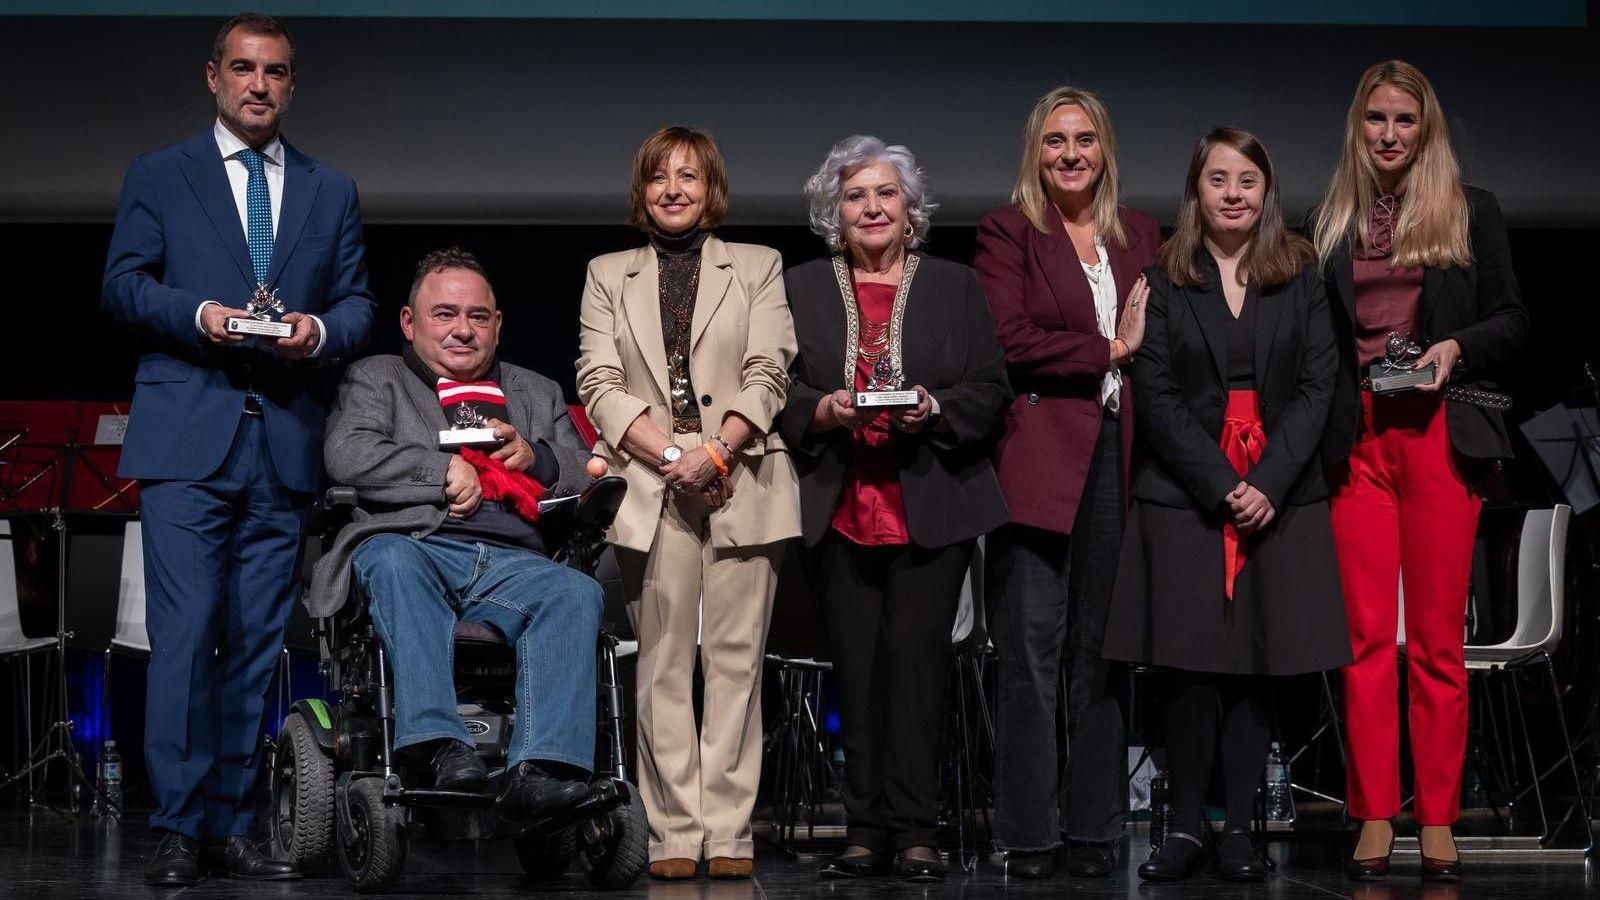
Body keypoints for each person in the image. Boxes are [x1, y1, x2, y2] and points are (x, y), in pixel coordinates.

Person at [100, 12, 375, 887]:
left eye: (277, 72)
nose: (260, 85)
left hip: (284, 439)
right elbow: (123, 285)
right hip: (188, 434)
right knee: (183, 638)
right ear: (212, 76)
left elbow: (361, 305)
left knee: (258, 645)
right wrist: (199, 315)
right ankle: (177, 826)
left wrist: (319, 328)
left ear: (294, 86)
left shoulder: (332, 191)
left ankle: (224, 821)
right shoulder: (161, 174)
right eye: (245, 69)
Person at [1102, 127, 1351, 883]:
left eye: (1247, 180)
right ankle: (1185, 829)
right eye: (1219, 180)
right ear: (1197, 191)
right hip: (1186, 494)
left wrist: (1267, 484)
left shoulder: (1302, 273)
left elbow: (1320, 386)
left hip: (1282, 494)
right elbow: (1159, 392)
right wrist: (1222, 484)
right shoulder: (1167, 277)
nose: (1234, 194)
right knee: (1191, 667)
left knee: (1257, 664)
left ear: (1266, 191)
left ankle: (1239, 828)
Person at [1312, 61, 1528, 883]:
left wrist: (1455, 346)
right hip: (1358, 443)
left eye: (1405, 120)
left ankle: (1436, 816)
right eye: (1377, 120)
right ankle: (1373, 813)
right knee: (1367, 641)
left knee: (1436, 644)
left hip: (1440, 436)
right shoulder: (1333, 220)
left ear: (1425, 127)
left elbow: (1513, 319)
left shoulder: (1471, 212)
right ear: (1359, 128)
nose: (1391, 135)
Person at [777, 135, 1011, 883]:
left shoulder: (956, 284)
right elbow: (773, 387)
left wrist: (936, 407)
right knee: (856, 671)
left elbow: (990, 389)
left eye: (885, 194)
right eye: (855, 197)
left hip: (928, 506)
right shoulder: (801, 287)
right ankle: (863, 828)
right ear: (833, 216)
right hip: (839, 501)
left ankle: (916, 829)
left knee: (916, 671)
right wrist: (822, 412)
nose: (872, 207)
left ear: (910, 210)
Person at [575, 126, 800, 880]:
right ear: (641, 191)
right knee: (664, 665)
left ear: (712, 190)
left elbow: (770, 369)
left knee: (736, 664)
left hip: (744, 474)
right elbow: (598, 381)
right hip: (654, 481)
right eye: (659, 177)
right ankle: (674, 832)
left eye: (690, 177)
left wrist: (719, 450)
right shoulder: (609, 272)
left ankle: (730, 830)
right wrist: (677, 457)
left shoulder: (759, 266)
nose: (674, 189)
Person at [308, 248, 601, 820]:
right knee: (391, 559)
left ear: (498, 325)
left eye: (478, 317)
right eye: (444, 315)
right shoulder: (378, 379)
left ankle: (538, 771)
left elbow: (584, 466)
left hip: (513, 559)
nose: (463, 330)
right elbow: (347, 453)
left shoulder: (535, 391)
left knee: (576, 591)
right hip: (416, 544)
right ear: (409, 323)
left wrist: (537, 458)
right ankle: (440, 746)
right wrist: (440, 470)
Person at [973, 86, 1160, 879]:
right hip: (1038, 463)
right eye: (1055, 141)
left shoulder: (1142, 235)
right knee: (1029, 653)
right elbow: (1009, 339)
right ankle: (1028, 833)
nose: (1071, 154)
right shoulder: (1007, 232)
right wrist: (1110, 350)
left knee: (1102, 655)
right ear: (1035, 153)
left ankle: (1094, 830)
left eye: (1084, 140)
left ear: (1105, 149)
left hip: (1121, 461)